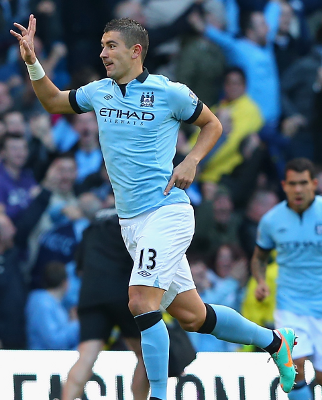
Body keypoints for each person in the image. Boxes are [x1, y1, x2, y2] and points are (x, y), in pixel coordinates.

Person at [11, 15, 297, 400]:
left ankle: (159, 397)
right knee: (193, 316)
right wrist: (32, 60)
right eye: (100, 46)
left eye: (110, 46)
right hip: (131, 224)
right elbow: (51, 101)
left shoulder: (170, 92)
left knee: (140, 301)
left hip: (167, 212)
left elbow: (212, 125)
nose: (102, 54)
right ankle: (275, 342)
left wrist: (192, 160)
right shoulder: (100, 91)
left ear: (136, 50)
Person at [251, 158, 322, 400]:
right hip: (290, 306)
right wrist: (260, 281)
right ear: (284, 185)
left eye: (303, 183)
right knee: (295, 369)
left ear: (314, 184)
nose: (298, 189)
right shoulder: (272, 220)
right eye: (293, 184)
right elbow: (259, 257)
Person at [62, 209, 148, 400]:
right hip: (123, 294)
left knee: (86, 356)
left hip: (91, 294)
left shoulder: (91, 228)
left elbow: (79, 269)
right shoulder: (134, 221)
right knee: (146, 355)